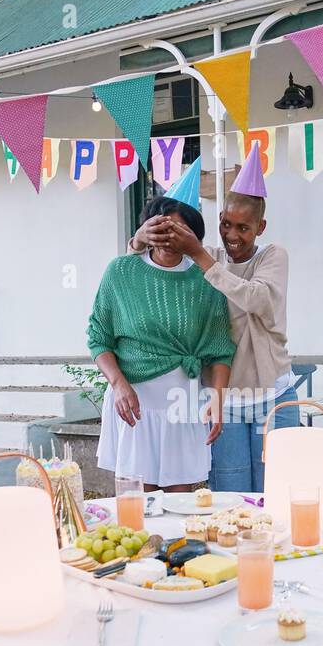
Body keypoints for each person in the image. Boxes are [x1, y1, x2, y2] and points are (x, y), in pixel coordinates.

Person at [130, 147, 297, 492]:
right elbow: (142, 271)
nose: (232, 235)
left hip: (273, 395)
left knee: (277, 491)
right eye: (226, 224)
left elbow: (255, 298)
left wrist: (200, 255)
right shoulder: (208, 258)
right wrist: (138, 239)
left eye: (244, 228)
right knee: (232, 494)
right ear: (219, 217)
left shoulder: (272, 257)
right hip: (224, 400)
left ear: (261, 227)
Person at [89, 194, 235, 491]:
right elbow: (98, 337)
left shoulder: (206, 281)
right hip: (133, 402)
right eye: (163, 229)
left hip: (183, 403)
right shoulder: (121, 271)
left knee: (180, 501)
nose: (170, 238)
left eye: (179, 231)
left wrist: (218, 399)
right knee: (136, 502)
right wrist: (118, 384)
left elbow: (220, 349)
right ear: (148, 230)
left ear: (194, 237)